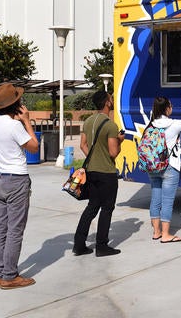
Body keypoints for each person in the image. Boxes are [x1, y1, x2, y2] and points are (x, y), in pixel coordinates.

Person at [0, 83, 39, 290]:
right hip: (16, 179)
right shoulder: (15, 126)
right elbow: (34, 147)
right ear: (15, 103)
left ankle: (0, 272)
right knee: (15, 229)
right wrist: (26, 121)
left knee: (1, 226)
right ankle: (10, 276)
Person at [73, 91, 125, 257]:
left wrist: (93, 157)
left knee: (92, 207)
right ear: (107, 103)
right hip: (106, 172)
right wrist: (120, 141)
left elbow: (83, 145)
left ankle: (79, 244)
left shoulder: (88, 121)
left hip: (91, 172)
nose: (112, 100)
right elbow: (113, 153)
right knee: (107, 208)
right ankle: (102, 246)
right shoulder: (110, 125)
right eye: (111, 98)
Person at [146, 96, 181, 243]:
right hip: (169, 167)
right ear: (167, 108)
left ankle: (156, 232)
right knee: (167, 201)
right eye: (171, 106)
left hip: (153, 166)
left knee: (155, 199)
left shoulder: (151, 124)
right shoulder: (174, 124)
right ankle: (166, 235)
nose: (172, 108)